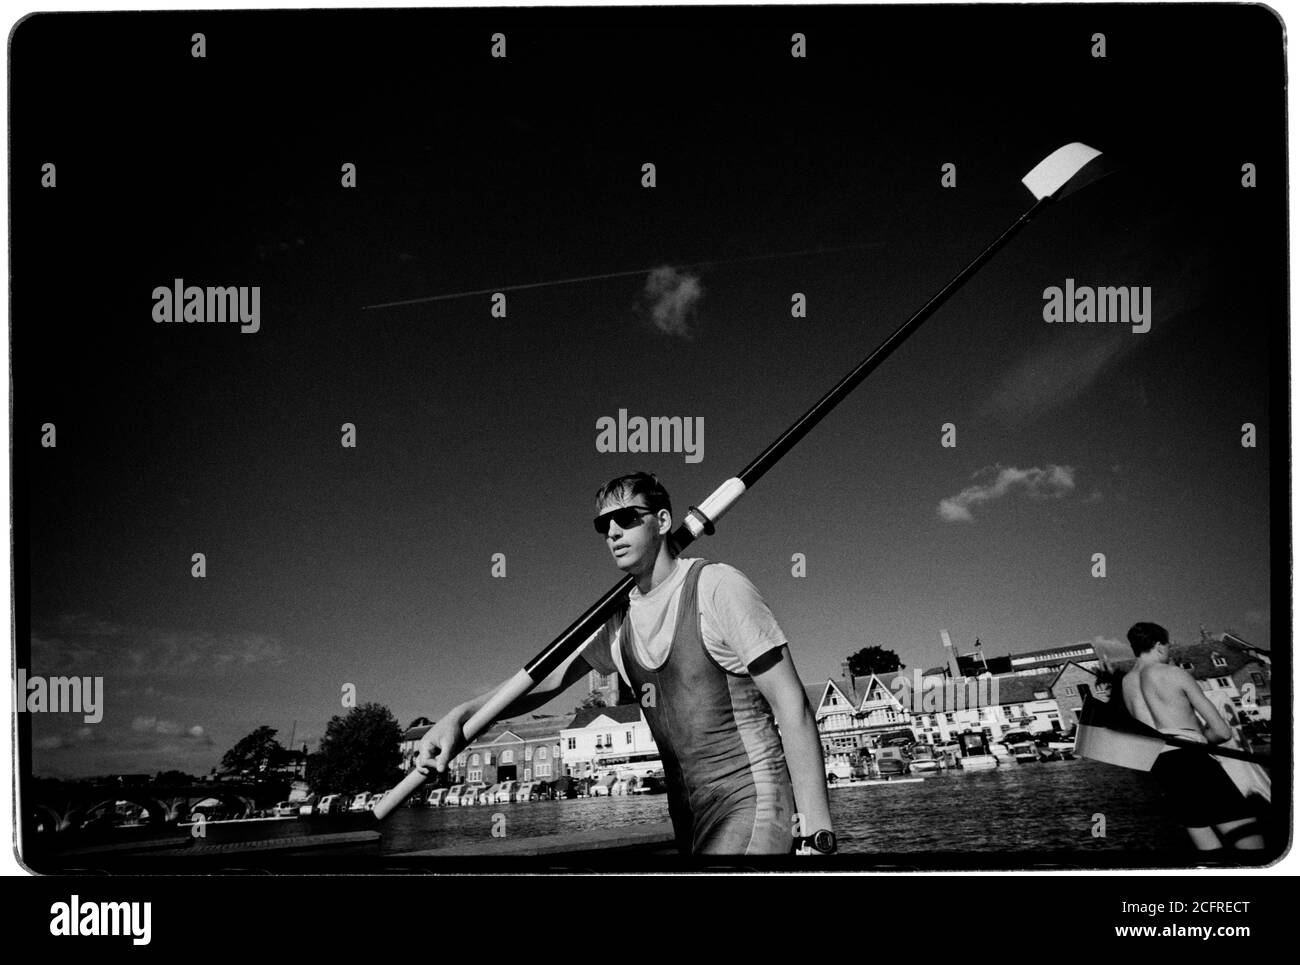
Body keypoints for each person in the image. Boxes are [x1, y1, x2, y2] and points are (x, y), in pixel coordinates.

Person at [417, 471, 834, 856]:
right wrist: (462, 717)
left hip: (753, 799)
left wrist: (817, 832)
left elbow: (791, 706)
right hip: (688, 818)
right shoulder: (616, 623)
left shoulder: (718, 588)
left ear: (664, 520)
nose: (613, 531)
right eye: (604, 525)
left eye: (628, 517)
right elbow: (541, 683)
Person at [1120, 621, 1264, 850]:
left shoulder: (1126, 685)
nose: (1168, 653)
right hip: (1194, 760)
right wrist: (1204, 738)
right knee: (1251, 843)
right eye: (1167, 648)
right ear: (1159, 646)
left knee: (1210, 851)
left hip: (1161, 767)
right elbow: (1221, 731)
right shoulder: (1172, 673)